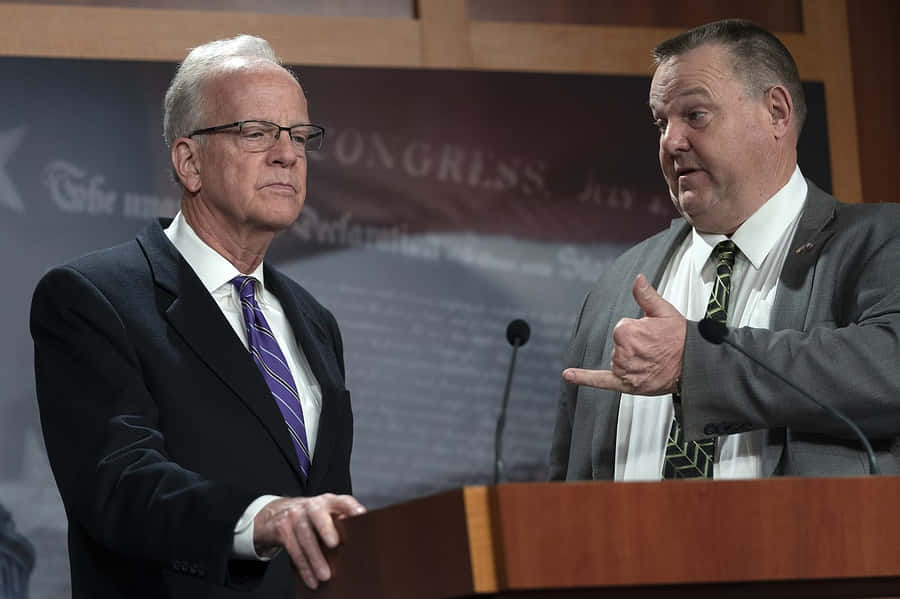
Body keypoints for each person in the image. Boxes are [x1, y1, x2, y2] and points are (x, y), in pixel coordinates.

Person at [30, 35, 364, 598]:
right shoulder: (91, 298)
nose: (286, 154)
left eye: (299, 136)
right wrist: (261, 518)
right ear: (189, 161)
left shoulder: (314, 321)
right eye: (256, 133)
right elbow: (118, 483)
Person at [550, 19, 900, 482]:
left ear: (776, 112)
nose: (671, 141)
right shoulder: (619, 284)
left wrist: (691, 362)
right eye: (661, 122)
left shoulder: (877, 240)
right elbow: (566, 481)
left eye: (695, 116)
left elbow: (888, 367)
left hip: (812, 552)